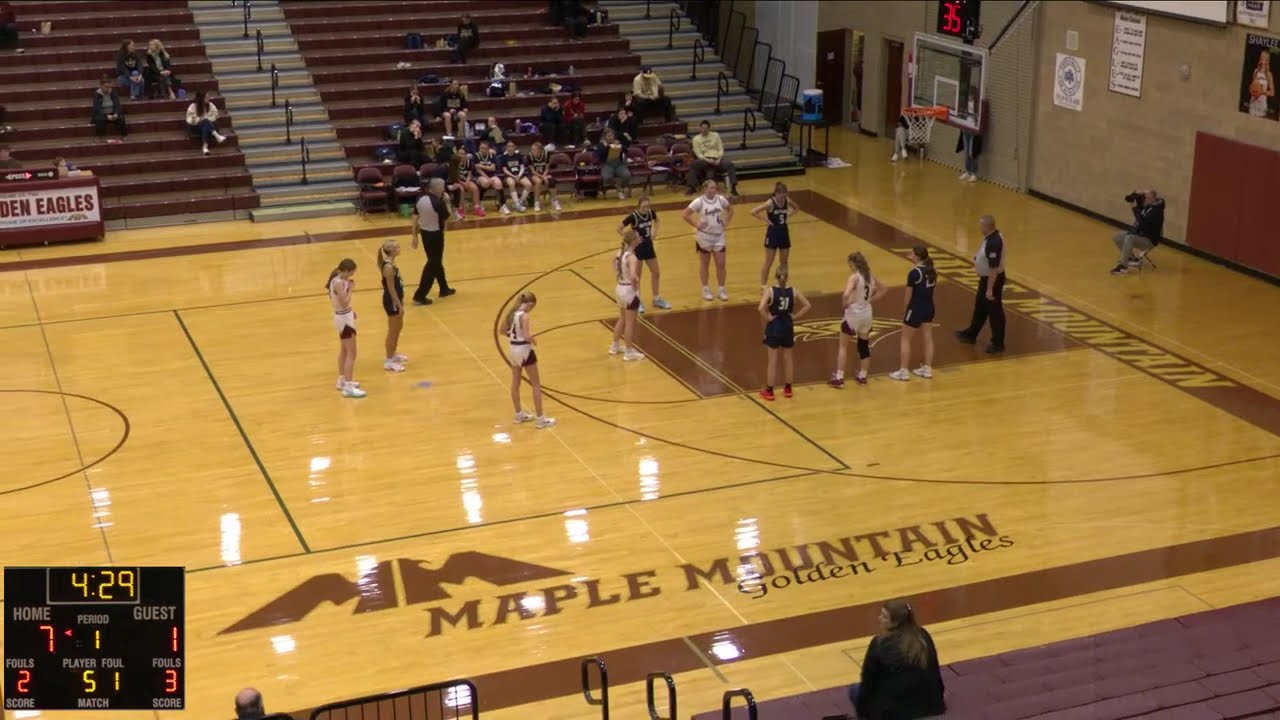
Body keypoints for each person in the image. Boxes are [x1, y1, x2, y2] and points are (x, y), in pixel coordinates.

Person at [848, 599, 946, 720]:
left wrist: (863, 713)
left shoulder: (879, 644)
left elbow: (868, 683)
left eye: (884, 617)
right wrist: (938, 698)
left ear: (895, 623)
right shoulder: (923, 635)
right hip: (930, 705)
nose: (879, 618)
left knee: (854, 689)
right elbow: (935, 672)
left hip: (894, 712)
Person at [830, 251, 887, 388]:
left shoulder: (854, 278)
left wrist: (845, 304)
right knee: (863, 345)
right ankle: (863, 375)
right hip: (867, 313)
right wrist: (870, 300)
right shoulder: (870, 276)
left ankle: (839, 378)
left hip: (853, 314)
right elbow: (884, 289)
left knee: (843, 346)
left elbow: (846, 294)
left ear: (853, 264)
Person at [501, 292, 556, 428]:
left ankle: (518, 414)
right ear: (530, 304)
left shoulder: (511, 313)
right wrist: (533, 339)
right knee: (536, 385)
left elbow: (502, 331)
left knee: (515, 382)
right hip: (524, 350)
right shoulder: (524, 316)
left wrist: (514, 335)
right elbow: (526, 336)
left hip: (512, 349)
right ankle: (540, 419)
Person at [758, 264, 811, 401]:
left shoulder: (770, 291)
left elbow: (760, 308)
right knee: (788, 358)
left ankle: (769, 390)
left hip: (774, 328)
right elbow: (807, 305)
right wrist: (795, 316)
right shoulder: (793, 290)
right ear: (787, 277)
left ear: (775, 276)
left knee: (772, 360)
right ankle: (788, 388)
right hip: (788, 327)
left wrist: (768, 317)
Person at [955, 214, 1006, 354]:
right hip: (986, 279)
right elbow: (985, 257)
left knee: (995, 312)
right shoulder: (990, 237)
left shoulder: (994, 242)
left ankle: (998, 343)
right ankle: (971, 333)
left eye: (980, 225)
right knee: (980, 306)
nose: (979, 227)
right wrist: (977, 262)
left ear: (986, 226)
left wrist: (990, 289)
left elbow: (994, 269)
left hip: (992, 280)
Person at [889, 246, 937, 381]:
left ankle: (903, 371)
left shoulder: (914, 273)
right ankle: (927, 369)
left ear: (917, 256)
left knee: (905, 339)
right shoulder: (932, 271)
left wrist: (905, 311)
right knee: (928, 338)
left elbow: (908, 296)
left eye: (912, 253)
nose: (910, 255)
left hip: (916, 308)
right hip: (929, 306)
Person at [682, 179, 733, 301]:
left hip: (719, 235)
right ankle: (705, 289)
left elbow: (730, 210)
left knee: (721, 264)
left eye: (714, 188)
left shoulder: (721, 199)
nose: (713, 190)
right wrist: (696, 224)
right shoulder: (699, 202)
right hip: (704, 237)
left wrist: (726, 221)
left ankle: (721, 289)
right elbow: (685, 214)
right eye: (711, 188)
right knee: (705, 264)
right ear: (705, 189)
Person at [619, 194, 670, 311]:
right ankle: (638, 300)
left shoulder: (651, 213)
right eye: (644, 207)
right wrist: (630, 239)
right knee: (637, 276)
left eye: (648, 206)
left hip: (648, 246)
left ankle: (656, 299)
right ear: (639, 206)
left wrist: (655, 232)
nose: (646, 208)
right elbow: (619, 229)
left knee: (656, 272)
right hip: (638, 249)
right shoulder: (633, 216)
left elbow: (657, 221)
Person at [410, 178, 455, 305]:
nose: (444, 188)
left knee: (436, 261)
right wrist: (447, 202)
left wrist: (414, 236)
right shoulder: (438, 203)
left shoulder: (420, 198)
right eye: (442, 186)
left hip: (425, 234)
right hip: (435, 235)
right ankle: (420, 295)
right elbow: (449, 218)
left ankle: (444, 288)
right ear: (436, 188)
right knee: (433, 264)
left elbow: (414, 217)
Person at [327, 258, 366, 398]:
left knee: (344, 350)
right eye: (351, 273)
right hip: (344, 318)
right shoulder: (338, 283)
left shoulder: (335, 280)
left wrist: (351, 312)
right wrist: (350, 288)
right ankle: (348, 386)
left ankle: (342, 379)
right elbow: (344, 302)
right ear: (346, 271)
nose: (351, 276)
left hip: (343, 316)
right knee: (352, 353)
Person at [751, 182, 800, 287]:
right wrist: (766, 220)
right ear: (776, 194)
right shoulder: (770, 203)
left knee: (784, 261)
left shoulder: (787, 201)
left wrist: (789, 216)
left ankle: (783, 283)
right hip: (773, 233)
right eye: (781, 196)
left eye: (784, 196)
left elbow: (797, 208)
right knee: (769, 261)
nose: (783, 198)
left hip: (784, 232)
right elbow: (753, 211)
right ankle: (763, 286)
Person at [608, 229, 646, 362]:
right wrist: (636, 287)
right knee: (630, 323)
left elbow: (613, 262)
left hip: (619, 288)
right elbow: (634, 276)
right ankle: (629, 352)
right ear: (634, 241)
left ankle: (614, 346)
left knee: (622, 319)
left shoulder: (620, 253)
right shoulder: (632, 257)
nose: (640, 238)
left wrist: (618, 275)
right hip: (629, 290)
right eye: (638, 237)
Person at [1110, 189, 1164, 275]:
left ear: (1152, 199)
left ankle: (1123, 267)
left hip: (1149, 240)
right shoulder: (1149, 206)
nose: (1144, 200)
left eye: (1145, 198)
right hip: (1140, 234)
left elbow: (1141, 222)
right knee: (1117, 236)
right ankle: (1132, 259)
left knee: (1130, 237)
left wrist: (1133, 207)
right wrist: (1135, 194)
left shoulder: (1156, 212)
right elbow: (1140, 206)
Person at [377, 240, 409, 373]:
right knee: (393, 330)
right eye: (397, 247)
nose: (399, 248)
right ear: (391, 250)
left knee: (398, 327)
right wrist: (398, 304)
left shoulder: (392, 264)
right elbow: (391, 289)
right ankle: (388, 361)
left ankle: (393, 353)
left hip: (396, 299)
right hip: (392, 301)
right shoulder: (388, 267)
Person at [688, 120, 739, 196]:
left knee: (730, 164)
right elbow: (698, 154)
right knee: (693, 164)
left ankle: (733, 188)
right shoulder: (696, 139)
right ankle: (692, 187)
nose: (704, 130)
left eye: (705, 128)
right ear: (700, 128)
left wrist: (719, 159)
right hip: (705, 160)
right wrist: (708, 160)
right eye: (702, 128)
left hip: (717, 159)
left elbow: (721, 149)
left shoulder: (715, 135)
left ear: (709, 128)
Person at [186, 90, 226, 155]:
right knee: (205, 122)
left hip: (208, 126)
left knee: (205, 126)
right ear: (201, 98)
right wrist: (199, 120)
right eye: (206, 97)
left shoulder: (211, 105)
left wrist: (207, 119)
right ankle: (217, 136)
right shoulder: (192, 106)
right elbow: (189, 120)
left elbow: (215, 115)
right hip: (196, 127)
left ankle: (205, 147)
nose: (208, 98)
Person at [447, 145, 483, 218]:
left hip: (466, 180)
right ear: (457, 154)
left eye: (463, 154)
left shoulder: (468, 162)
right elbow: (455, 177)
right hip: (457, 181)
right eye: (459, 154)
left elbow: (469, 174)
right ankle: (460, 208)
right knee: (461, 190)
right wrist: (463, 183)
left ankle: (477, 208)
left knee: (475, 188)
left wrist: (467, 182)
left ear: (466, 155)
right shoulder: (455, 162)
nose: (461, 155)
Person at [596, 127, 631, 200]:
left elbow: (626, 150)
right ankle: (617, 186)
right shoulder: (601, 145)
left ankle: (622, 187)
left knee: (627, 175)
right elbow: (598, 155)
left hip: (619, 164)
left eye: (611, 136)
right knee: (606, 177)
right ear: (605, 137)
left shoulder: (617, 142)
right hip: (607, 165)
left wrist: (620, 146)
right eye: (608, 136)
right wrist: (606, 147)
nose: (610, 138)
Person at [526, 140, 561, 212]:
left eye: (534, 150)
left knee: (552, 181)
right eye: (532, 149)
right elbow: (533, 171)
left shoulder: (546, 154)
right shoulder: (529, 156)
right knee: (538, 182)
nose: (532, 151)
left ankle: (554, 201)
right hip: (534, 174)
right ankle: (536, 202)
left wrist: (544, 175)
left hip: (544, 173)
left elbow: (547, 168)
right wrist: (543, 177)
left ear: (540, 150)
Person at [499, 140, 532, 213]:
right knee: (511, 183)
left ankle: (520, 202)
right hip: (509, 175)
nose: (510, 148)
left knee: (529, 184)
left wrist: (519, 176)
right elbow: (504, 169)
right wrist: (514, 176)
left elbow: (522, 167)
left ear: (515, 147)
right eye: (508, 146)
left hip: (519, 174)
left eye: (512, 146)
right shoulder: (503, 157)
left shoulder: (518, 155)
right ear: (506, 147)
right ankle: (516, 203)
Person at [472, 140, 504, 209]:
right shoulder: (476, 156)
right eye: (481, 148)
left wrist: (482, 166)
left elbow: (493, 168)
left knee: (499, 183)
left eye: (485, 148)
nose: (483, 150)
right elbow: (478, 170)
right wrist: (487, 178)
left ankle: (502, 204)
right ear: (479, 148)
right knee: (486, 183)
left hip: (491, 175)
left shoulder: (492, 155)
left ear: (488, 149)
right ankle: (479, 201)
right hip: (479, 176)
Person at [1249, 48, 1274, 118]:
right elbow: (1252, 87)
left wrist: (1261, 91)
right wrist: (1252, 90)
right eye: (1261, 56)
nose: (1262, 58)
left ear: (1267, 59)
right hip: (1253, 102)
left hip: (1262, 103)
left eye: (1264, 56)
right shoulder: (1255, 71)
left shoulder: (1269, 74)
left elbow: (1272, 93)